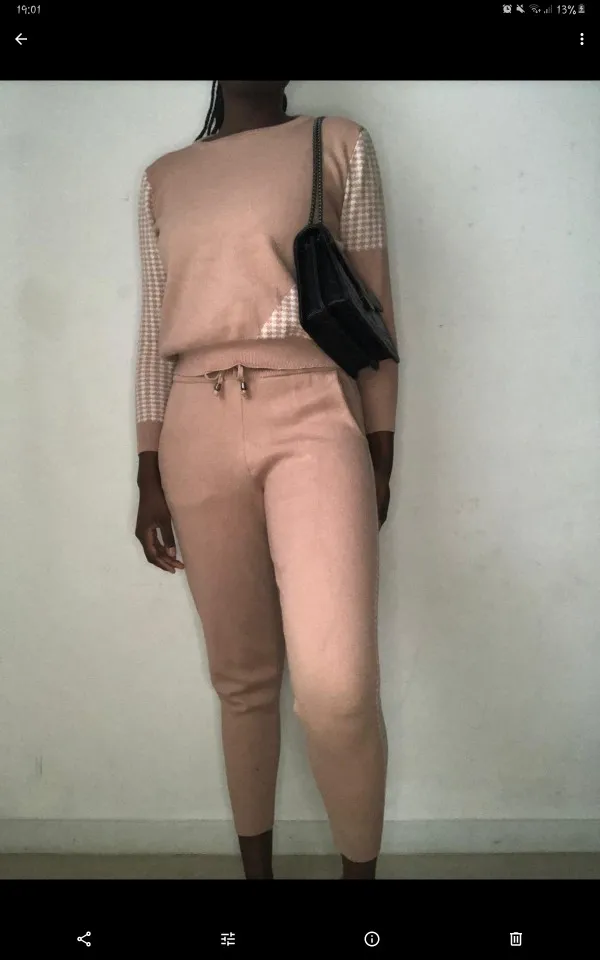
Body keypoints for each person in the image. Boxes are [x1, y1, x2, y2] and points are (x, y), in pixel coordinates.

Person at [134, 81, 398, 880]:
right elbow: (153, 329)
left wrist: (381, 447)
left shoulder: (338, 143)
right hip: (195, 422)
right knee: (242, 681)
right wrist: (147, 467)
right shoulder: (165, 178)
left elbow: (375, 311)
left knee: (337, 689)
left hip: (315, 410)